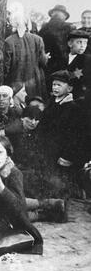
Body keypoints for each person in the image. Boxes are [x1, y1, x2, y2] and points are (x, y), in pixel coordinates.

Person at [4, 106, 68, 223]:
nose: (33, 122)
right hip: (17, 170)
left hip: (34, 171)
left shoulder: (39, 134)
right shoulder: (12, 133)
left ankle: (49, 209)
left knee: (56, 183)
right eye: (30, 118)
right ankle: (45, 212)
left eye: (37, 119)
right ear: (22, 118)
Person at [38, 70, 85, 199]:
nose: (55, 88)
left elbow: (76, 136)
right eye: (54, 85)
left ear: (69, 88)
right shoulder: (51, 104)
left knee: (62, 188)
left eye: (59, 85)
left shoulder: (74, 108)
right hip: (48, 152)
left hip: (62, 156)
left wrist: (68, 156)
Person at [4, 10, 49, 100]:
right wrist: (46, 57)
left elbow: (6, 66)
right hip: (35, 80)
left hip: (16, 80)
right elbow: (43, 62)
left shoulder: (9, 41)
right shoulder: (38, 39)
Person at [39, 5, 75, 86]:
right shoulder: (69, 27)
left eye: (59, 13)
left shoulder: (44, 27)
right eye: (56, 12)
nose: (57, 14)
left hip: (48, 61)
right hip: (59, 62)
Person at [63, 30, 91, 103]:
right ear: (70, 43)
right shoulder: (62, 58)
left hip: (79, 96)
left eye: (85, 43)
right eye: (79, 42)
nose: (82, 45)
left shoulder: (87, 60)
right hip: (62, 94)